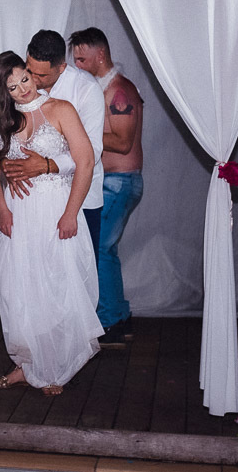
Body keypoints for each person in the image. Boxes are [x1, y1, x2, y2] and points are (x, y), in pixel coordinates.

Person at [0, 51, 102, 395]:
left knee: (58, 286)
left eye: (24, 78)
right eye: (12, 85)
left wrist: (70, 213)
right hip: (20, 215)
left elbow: (86, 161)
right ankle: (27, 365)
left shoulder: (61, 109)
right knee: (20, 289)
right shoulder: (2, 121)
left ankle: (57, 367)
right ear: (2, 91)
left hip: (55, 208)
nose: (22, 88)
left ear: (32, 74)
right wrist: (2, 209)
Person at [2, 30, 106, 337]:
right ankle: (36, 353)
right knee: (31, 279)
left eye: (40, 74)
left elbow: (92, 153)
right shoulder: (19, 89)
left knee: (68, 282)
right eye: (29, 69)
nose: (32, 78)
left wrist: (47, 165)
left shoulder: (85, 90)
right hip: (31, 205)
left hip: (77, 197)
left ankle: (66, 354)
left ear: (61, 68)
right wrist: (12, 163)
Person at [70, 28, 144, 345]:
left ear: (100, 54)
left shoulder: (119, 92)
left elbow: (124, 143)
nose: (78, 66)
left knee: (101, 249)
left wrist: (77, 135)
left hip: (120, 182)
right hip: (110, 182)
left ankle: (111, 321)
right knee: (105, 250)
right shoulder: (100, 89)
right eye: (74, 60)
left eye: (82, 59)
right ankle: (119, 316)